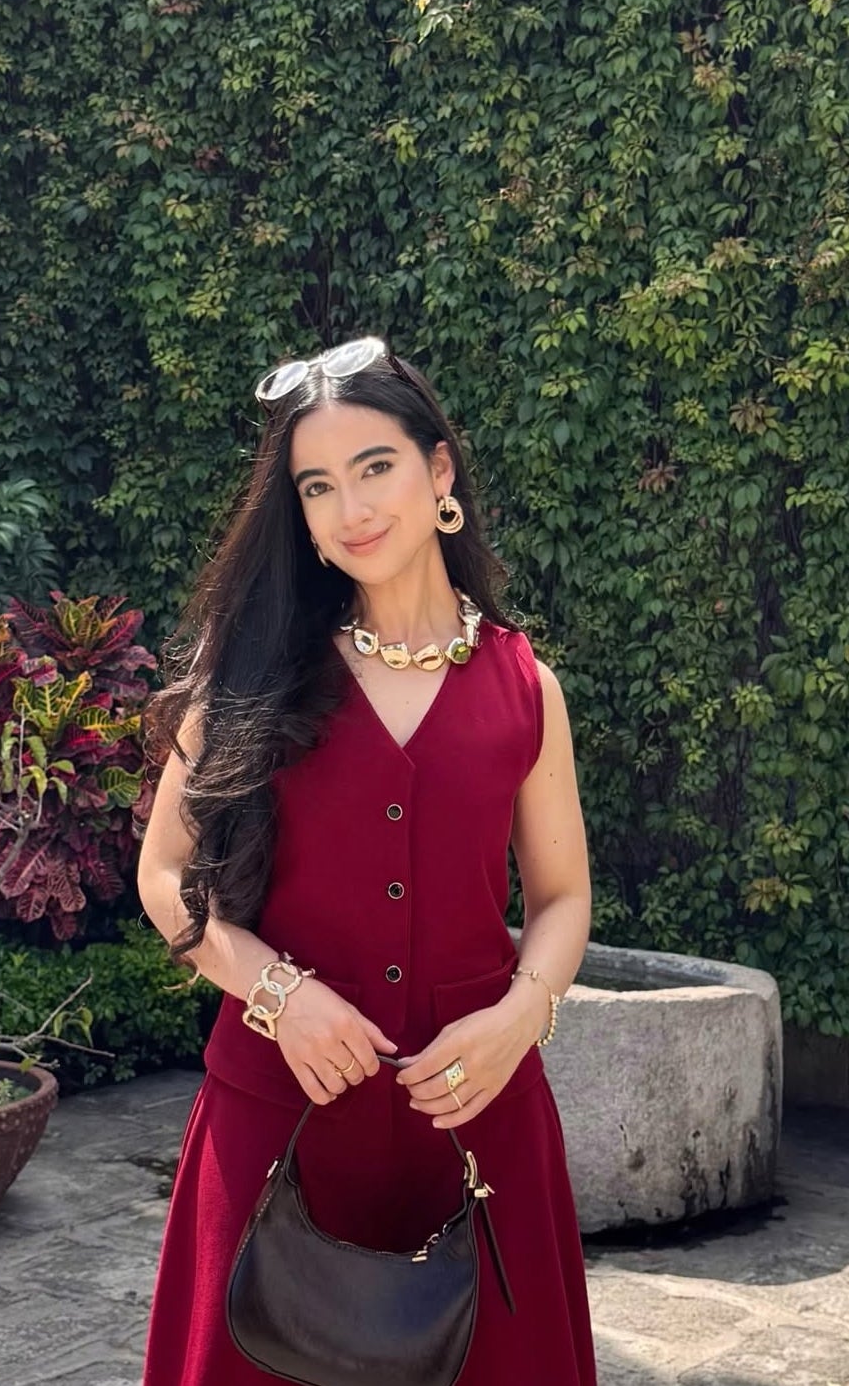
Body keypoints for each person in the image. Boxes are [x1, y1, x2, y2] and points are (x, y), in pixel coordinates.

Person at [136, 336, 598, 1385]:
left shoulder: (527, 687)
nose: (350, 509)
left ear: (439, 472)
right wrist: (277, 994)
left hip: (476, 1117)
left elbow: (563, 896)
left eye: (374, 467)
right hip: (279, 1110)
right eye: (317, 486)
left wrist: (520, 1017)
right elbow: (163, 877)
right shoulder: (254, 672)